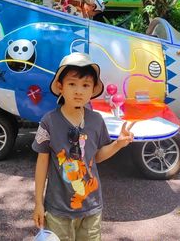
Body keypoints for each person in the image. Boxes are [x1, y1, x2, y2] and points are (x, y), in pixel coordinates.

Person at [32, 52, 135, 241]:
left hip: (91, 207)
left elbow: (95, 156)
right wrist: (38, 203)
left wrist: (118, 144)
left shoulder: (96, 120)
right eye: (72, 84)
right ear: (61, 87)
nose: (79, 91)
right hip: (58, 210)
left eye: (85, 85)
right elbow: (42, 164)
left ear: (92, 90)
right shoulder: (48, 122)